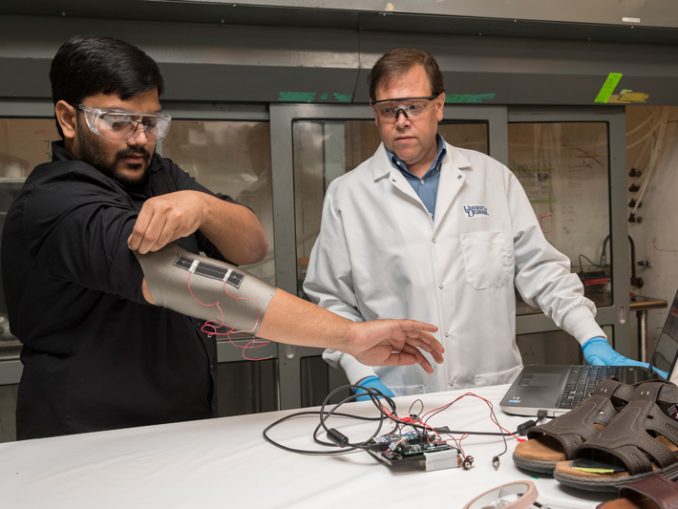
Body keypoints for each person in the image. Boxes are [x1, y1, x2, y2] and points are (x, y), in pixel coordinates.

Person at [1, 37, 443, 440]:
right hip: (87, 437)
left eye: (151, 122)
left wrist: (203, 205)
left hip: (180, 425)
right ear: (68, 118)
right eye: (118, 121)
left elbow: (251, 246)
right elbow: (190, 283)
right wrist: (350, 336)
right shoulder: (55, 202)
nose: (140, 139)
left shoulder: (155, 172)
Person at [303, 48, 649, 399]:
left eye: (415, 106)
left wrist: (590, 335)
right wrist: (360, 372)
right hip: (397, 395)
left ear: (439, 105)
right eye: (388, 109)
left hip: (492, 395)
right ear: (375, 114)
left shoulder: (492, 178)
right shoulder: (348, 195)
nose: (402, 120)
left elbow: (541, 270)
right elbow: (332, 298)